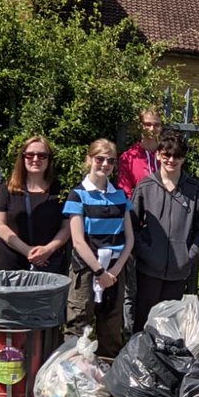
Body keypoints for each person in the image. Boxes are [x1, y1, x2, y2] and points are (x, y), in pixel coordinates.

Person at [130, 130, 199, 332]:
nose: (171, 160)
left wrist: (188, 257)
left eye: (177, 156)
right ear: (158, 155)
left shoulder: (194, 190)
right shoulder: (146, 187)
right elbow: (131, 226)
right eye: (166, 154)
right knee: (143, 323)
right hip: (148, 270)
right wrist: (146, 253)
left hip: (178, 272)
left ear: (183, 158)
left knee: (170, 326)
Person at [64, 139, 134, 358]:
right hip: (86, 269)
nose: (105, 164)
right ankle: (72, 371)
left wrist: (114, 270)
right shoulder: (78, 195)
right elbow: (78, 240)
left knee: (112, 325)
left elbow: (130, 238)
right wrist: (99, 272)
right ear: (89, 159)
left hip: (114, 270)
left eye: (110, 161)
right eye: (100, 159)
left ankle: (108, 371)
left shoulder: (120, 195)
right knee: (78, 324)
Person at [0, 135, 70, 273]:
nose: (35, 159)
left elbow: (67, 227)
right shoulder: (7, 189)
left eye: (42, 155)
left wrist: (48, 249)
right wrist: (28, 251)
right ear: (22, 158)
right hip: (11, 263)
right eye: (30, 155)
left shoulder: (60, 191)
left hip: (48, 263)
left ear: (49, 159)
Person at [116, 108, 164, 332]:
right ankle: (130, 333)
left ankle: (155, 332)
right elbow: (125, 192)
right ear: (140, 126)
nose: (152, 128)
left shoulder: (166, 154)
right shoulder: (129, 157)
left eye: (156, 124)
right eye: (147, 124)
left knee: (155, 284)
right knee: (131, 285)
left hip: (163, 227)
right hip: (137, 225)